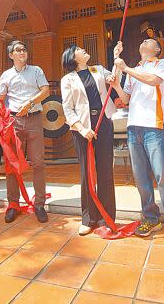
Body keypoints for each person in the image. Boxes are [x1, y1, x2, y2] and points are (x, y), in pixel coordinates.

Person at [113, 38, 164, 250]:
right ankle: (151, 217)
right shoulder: (134, 69)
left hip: (154, 127)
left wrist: (125, 68)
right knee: (141, 178)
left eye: (149, 41)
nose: (144, 42)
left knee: (163, 177)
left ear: (157, 49)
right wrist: (117, 83)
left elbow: (154, 81)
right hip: (133, 127)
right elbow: (125, 99)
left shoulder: (160, 64)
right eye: (142, 40)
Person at [61, 45, 118, 236]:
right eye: (78, 49)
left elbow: (115, 78)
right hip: (82, 129)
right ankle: (89, 218)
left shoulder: (99, 69)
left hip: (103, 123)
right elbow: (67, 108)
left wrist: (115, 60)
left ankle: (107, 218)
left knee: (105, 171)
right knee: (87, 174)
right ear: (72, 57)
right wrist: (82, 128)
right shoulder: (67, 80)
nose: (84, 49)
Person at [0, 40, 50, 224]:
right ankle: (13, 204)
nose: (22, 52)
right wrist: (3, 119)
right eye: (17, 50)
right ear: (11, 55)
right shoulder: (6, 75)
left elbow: (45, 91)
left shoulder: (36, 71)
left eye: (24, 49)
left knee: (38, 162)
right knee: (12, 164)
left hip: (34, 118)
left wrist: (30, 103)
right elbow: (0, 98)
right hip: (14, 121)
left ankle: (40, 204)